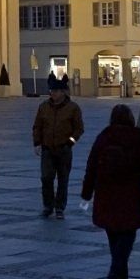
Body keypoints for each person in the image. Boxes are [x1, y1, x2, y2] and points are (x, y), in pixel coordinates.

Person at [81, 104, 140, 279]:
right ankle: (117, 273)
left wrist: (86, 194)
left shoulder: (104, 137)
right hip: (130, 195)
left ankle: (121, 276)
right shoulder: (137, 138)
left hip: (106, 194)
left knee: (114, 236)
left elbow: (92, 166)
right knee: (128, 234)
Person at [32, 76, 85, 219]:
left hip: (64, 150)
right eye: (51, 91)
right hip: (47, 149)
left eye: (55, 91)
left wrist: (70, 142)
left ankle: (60, 207)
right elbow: (37, 126)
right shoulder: (44, 107)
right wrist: (37, 142)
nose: (53, 94)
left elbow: (79, 129)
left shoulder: (73, 108)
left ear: (63, 92)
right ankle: (48, 206)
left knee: (63, 180)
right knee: (46, 178)